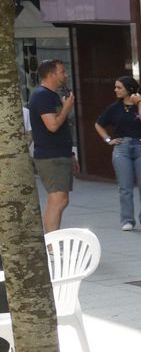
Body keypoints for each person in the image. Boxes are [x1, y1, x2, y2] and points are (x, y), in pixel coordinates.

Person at [95, 76, 141, 232]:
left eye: (119, 87)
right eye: (116, 87)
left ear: (130, 89)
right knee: (125, 187)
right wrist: (108, 139)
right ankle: (127, 220)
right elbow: (99, 124)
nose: (115, 90)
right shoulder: (114, 108)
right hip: (122, 147)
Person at [27, 59, 76, 232]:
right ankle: (50, 244)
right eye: (62, 71)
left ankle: (50, 240)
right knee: (58, 199)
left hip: (60, 154)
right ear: (51, 74)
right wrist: (66, 109)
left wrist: (70, 155)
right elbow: (53, 125)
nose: (66, 75)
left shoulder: (52, 95)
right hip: (50, 156)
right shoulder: (42, 96)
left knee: (61, 199)